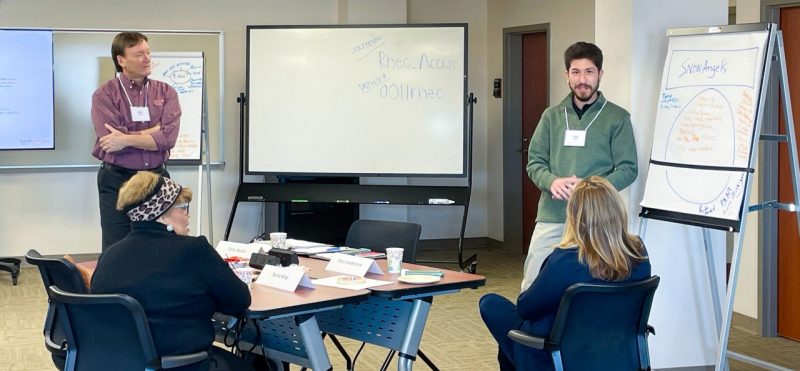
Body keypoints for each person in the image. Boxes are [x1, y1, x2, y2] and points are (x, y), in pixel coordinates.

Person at [479, 176, 651, 371]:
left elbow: (525, 308)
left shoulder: (566, 261)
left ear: (575, 217)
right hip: (616, 355)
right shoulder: (638, 253)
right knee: (511, 342)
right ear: (617, 211)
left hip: (556, 356)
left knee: (490, 303)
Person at [91, 172, 253, 371]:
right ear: (163, 213)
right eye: (183, 208)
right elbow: (239, 300)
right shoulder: (194, 250)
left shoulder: (109, 256)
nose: (188, 215)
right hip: (186, 365)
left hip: (121, 364)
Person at [521, 41, 638, 291]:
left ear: (600, 75)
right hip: (553, 214)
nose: (582, 79)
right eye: (575, 72)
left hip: (598, 219)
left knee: (592, 283)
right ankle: (530, 329)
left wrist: (589, 188)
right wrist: (552, 181)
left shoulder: (617, 118)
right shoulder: (551, 116)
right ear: (567, 76)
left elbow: (628, 168)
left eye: (589, 72)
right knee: (533, 280)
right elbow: (535, 162)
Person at [92, 31, 181, 251]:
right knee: (118, 246)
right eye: (139, 54)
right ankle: (117, 287)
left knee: (160, 245)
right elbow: (111, 140)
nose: (147, 58)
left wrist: (126, 138)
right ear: (121, 60)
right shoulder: (104, 95)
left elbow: (168, 138)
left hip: (156, 177)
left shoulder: (166, 92)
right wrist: (153, 132)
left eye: (148, 52)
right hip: (117, 178)